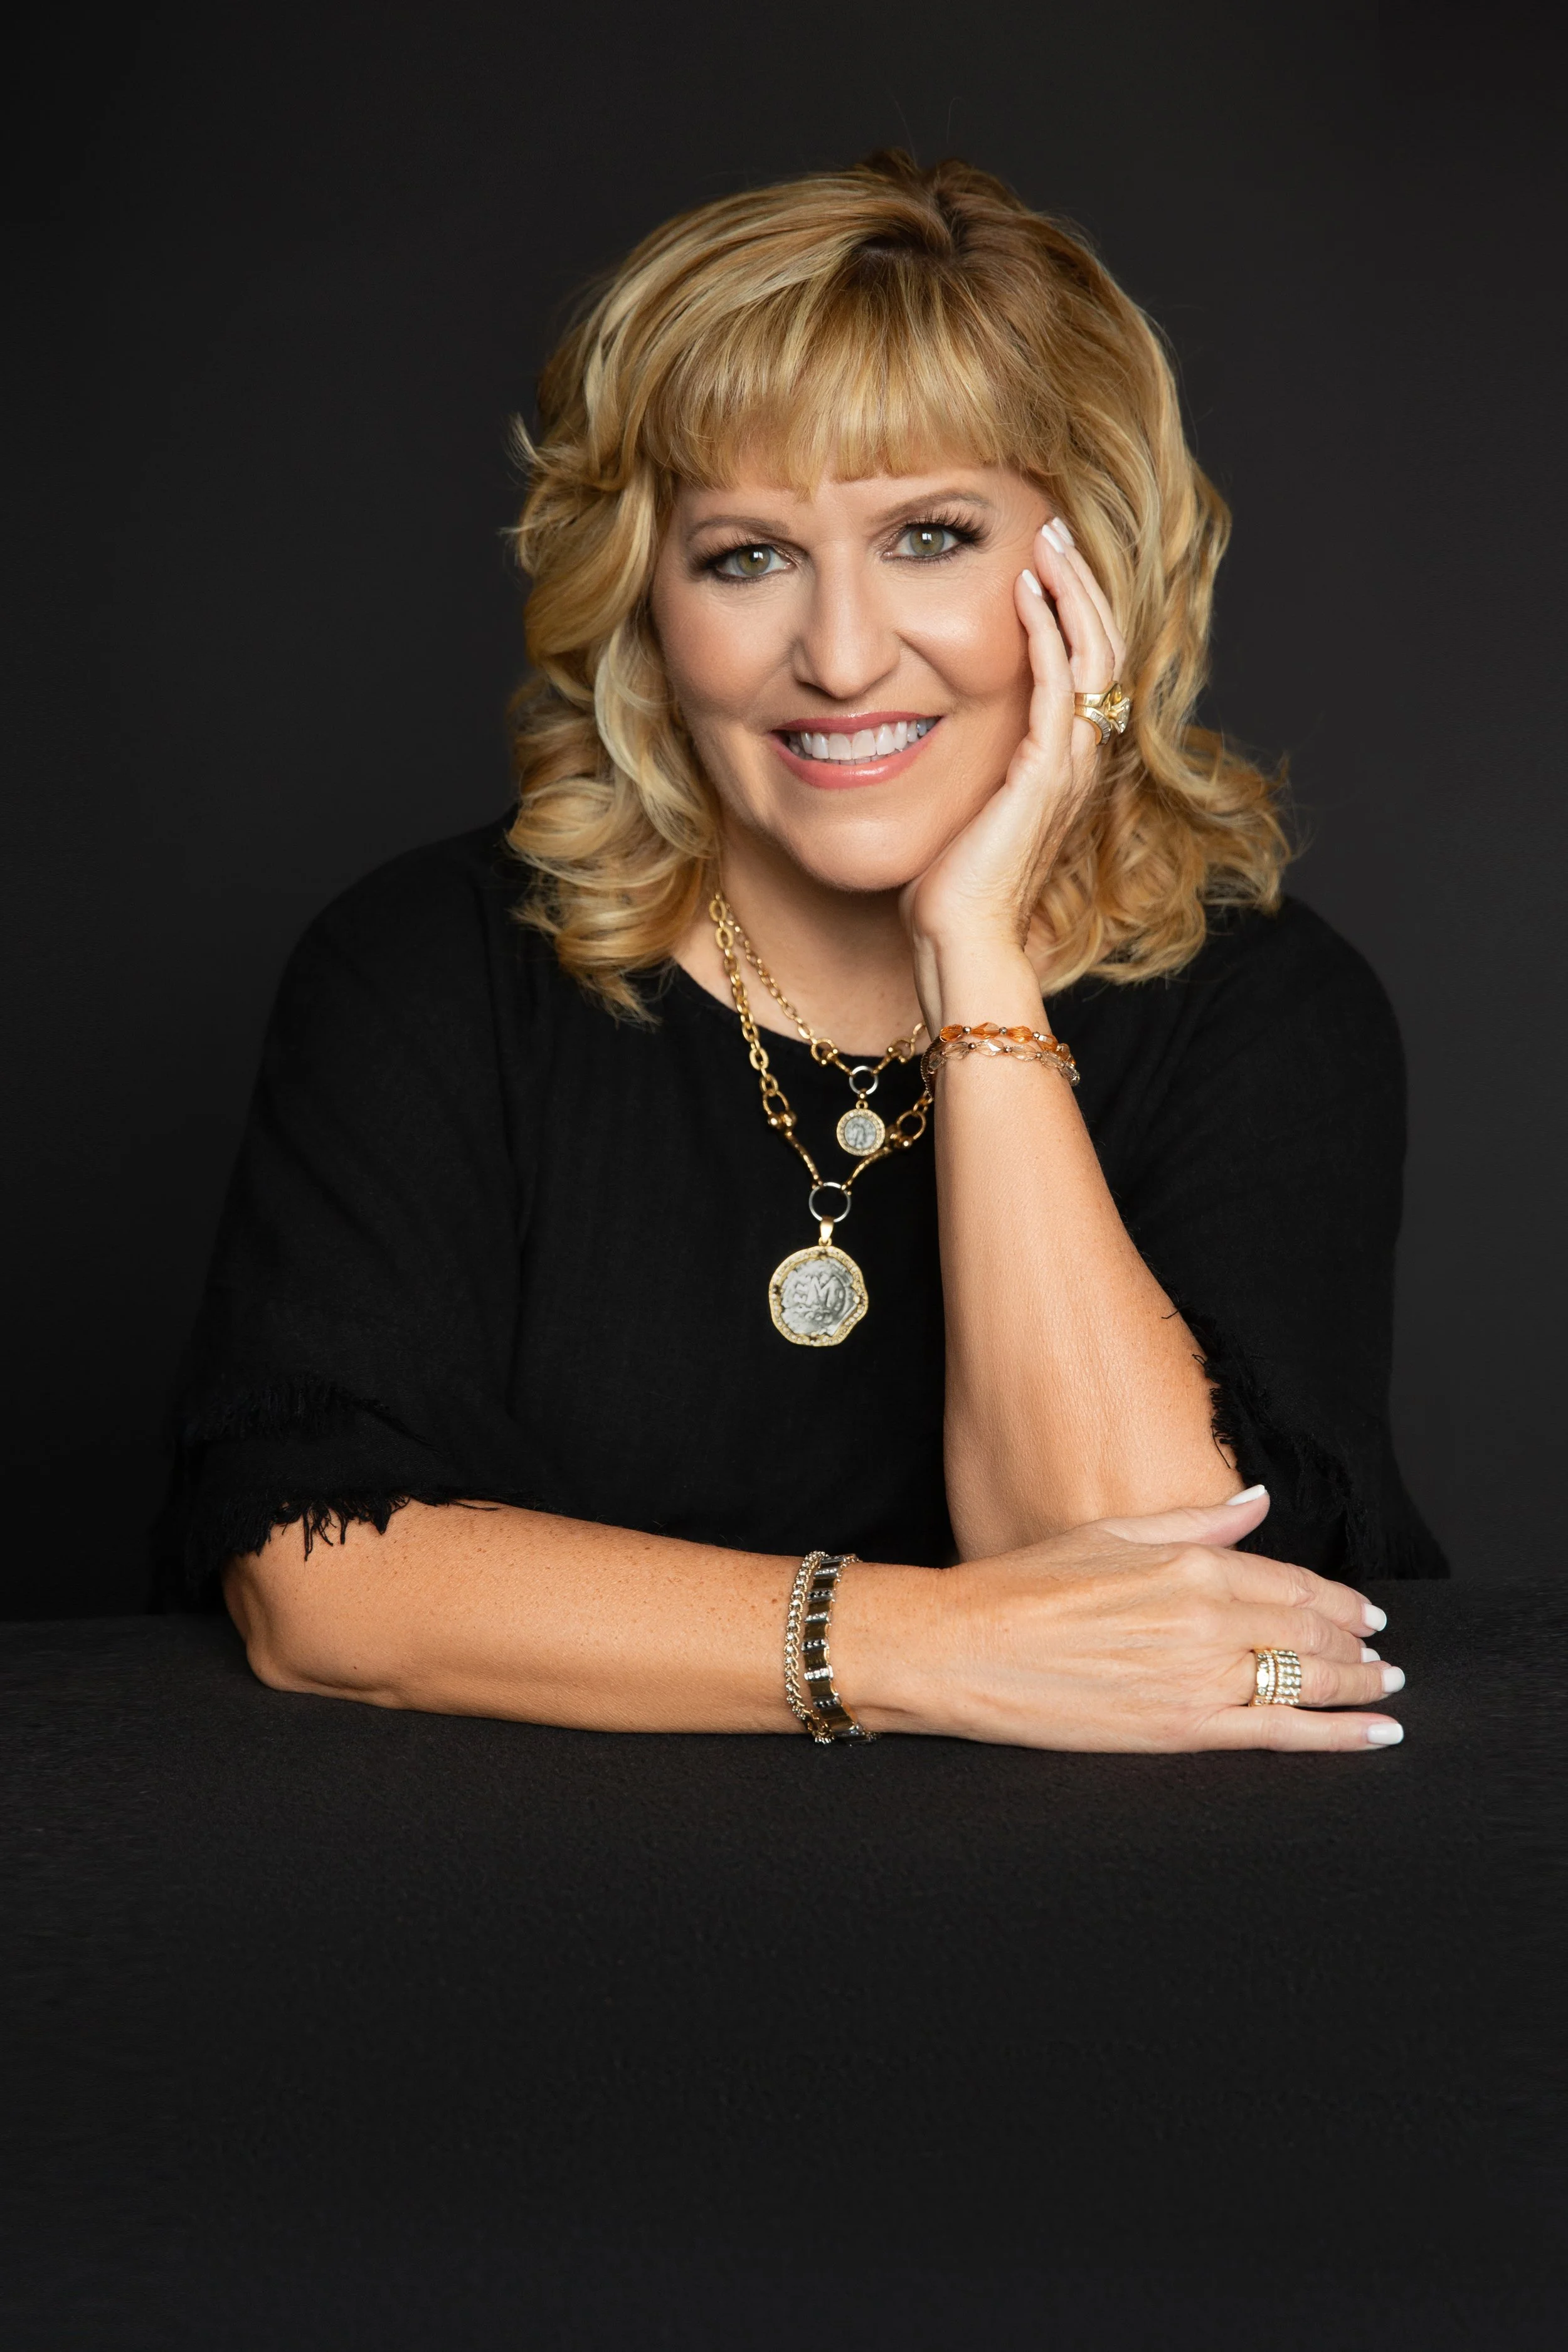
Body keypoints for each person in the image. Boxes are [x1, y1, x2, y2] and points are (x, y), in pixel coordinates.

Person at [164, 152, 1442, 1752]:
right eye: (746, 555)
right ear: (646, 599)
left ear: (1087, 567)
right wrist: (914, 1646)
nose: (838, 659)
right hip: (522, 1939)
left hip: (1101, 1957)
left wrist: (971, 950)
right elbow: (320, 1591)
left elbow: (1164, 1610)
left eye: (928, 536)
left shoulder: (1266, 1013)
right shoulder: (425, 973)